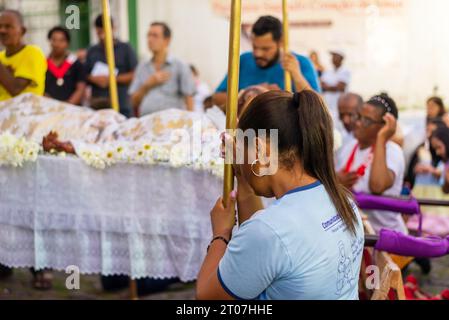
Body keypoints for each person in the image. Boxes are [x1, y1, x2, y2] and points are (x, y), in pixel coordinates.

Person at [197, 90, 364, 300]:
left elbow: (206, 296)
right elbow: (265, 251)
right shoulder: (343, 200)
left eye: (243, 148)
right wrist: (242, 173)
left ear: (258, 148)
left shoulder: (269, 231)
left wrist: (220, 234)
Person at [212, 16, 321, 108]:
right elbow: (217, 98)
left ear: (281, 42)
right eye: (255, 47)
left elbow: (318, 106)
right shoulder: (244, 60)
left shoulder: (302, 63)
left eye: (265, 49)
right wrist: (252, 93)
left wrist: (297, 76)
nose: (258, 53)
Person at [336, 94, 407, 234]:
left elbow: (377, 186)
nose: (357, 123)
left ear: (384, 126)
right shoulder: (348, 148)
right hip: (360, 240)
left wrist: (381, 138)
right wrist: (337, 181)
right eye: (359, 116)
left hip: (390, 242)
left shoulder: (392, 151)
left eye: (366, 120)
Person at [129, 22, 195, 117]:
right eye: (148, 35)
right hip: (146, 124)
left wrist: (191, 125)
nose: (150, 39)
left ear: (167, 40)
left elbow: (189, 99)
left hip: (172, 125)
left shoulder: (180, 65)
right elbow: (133, 102)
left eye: (155, 36)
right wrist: (147, 85)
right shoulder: (142, 66)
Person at [85, 14, 137, 117]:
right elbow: (85, 75)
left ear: (113, 29)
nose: (102, 36)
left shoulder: (125, 49)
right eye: (99, 33)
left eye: (105, 32)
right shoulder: (92, 51)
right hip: (98, 105)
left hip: (121, 104)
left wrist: (112, 79)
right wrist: (94, 79)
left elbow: (134, 74)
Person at [0, 9, 46, 102]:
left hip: (26, 115)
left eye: (8, 26)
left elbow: (15, 89)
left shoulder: (33, 53)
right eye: (0, 26)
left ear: (22, 31)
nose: (2, 30)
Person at [45, 26, 86, 105]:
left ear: (67, 43)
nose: (57, 44)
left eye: (61, 40)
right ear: (50, 42)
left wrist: (68, 106)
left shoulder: (76, 63)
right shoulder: (43, 64)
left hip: (73, 109)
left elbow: (81, 88)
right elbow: (42, 89)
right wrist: (53, 105)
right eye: (54, 40)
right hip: (50, 108)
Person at [321, 50, 351, 123]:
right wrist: (333, 87)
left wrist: (327, 87)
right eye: (332, 56)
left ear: (341, 58)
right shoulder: (327, 71)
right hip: (327, 105)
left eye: (335, 56)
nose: (332, 58)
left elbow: (340, 87)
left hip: (338, 106)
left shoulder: (345, 71)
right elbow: (321, 85)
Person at [430, 126, 449, 194]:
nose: (437, 152)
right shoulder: (445, 163)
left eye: (439, 147)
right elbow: (445, 191)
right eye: (435, 149)